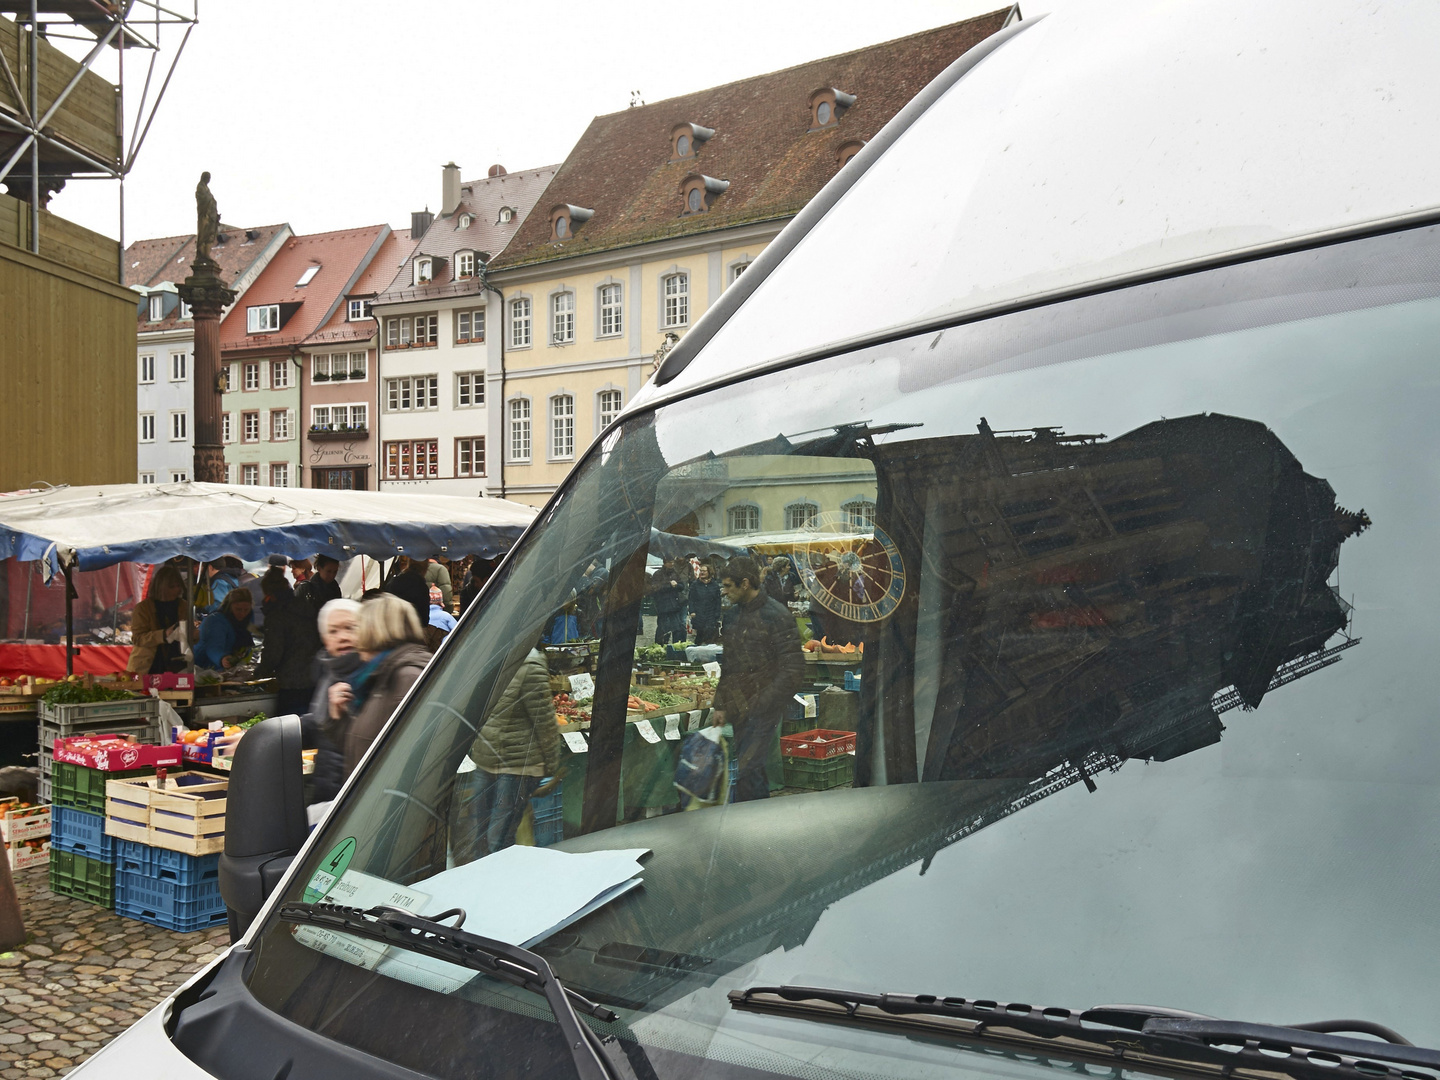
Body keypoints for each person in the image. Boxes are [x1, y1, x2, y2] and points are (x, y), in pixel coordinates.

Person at [711, 556, 805, 802]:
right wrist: (720, 704)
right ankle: (755, 821)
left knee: (748, 768)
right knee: (749, 769)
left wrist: (764, 701)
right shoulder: (732, 616)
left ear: (745, 584)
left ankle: (751, 823)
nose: (724, 591)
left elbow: (793, 668)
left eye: (728, 586)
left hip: (764, 706)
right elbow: (729, 664)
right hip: (739, 705)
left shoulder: (777, 615)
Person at [466, 641, 562, 859]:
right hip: (500, 761)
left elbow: (543, 720)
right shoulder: (519, 662)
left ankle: (492, 884)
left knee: (490, 838)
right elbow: (544, 720)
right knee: (489, 837)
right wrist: (551, 763)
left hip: (505, 762)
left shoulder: (513, 660)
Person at [329, 593, 431, 777]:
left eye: (358, 627)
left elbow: (407, 764)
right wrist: (340, 717)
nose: (354, 637)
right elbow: (362, 745)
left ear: (375, 629)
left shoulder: (406, 678)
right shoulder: (381, 674)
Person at [302, 598, 362, 805]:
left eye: (350, 628)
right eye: (334, 631)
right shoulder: (328, 671)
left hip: (354, 797)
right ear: (325, 639)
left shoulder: (373, 674)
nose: (343, 637)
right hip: (326, 793)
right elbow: (317, 724)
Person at [256, 568, 321, 715]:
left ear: (269, 594)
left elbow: (273, 652)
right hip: (314, 677)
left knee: (290, 727)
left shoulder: (277, 615)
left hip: (291, 683)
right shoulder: (306, 607)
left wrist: (260, 672)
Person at [126, 564, 192, 674]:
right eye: (172, 587)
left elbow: (187, 636)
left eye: (178, 586)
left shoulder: (183, 606)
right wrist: (163, 635)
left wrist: (193, 635)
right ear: (161, 586)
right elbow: (138, 638)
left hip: (178, 665)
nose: (176, 590)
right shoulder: (143, 608)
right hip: (149, 666)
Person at [193, 589, 254, 671]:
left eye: (246, 610)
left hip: (226, 663)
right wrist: (222, 658)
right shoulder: (216, 621)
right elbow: (213, 647)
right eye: (238, 609)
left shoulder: (248, 617)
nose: (243, 614)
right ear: (230, 606)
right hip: (203, 665)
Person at [381, 557, 431, 631]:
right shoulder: (421, 586)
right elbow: (424, 619)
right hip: (411, 631)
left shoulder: (394, 581)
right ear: (425, 568)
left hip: (391, 628)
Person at [649, 558, 688, 645]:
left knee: (677, 628)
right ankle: (660, 646)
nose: (672, 564)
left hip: (674, 604)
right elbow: (655, 588)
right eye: (670, 562)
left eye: (673, 562)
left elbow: (682, 586)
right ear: (665, 563)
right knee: (663, 628)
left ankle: (675, 646)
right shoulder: (658, 574)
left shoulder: (675, 573)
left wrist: (677, 585)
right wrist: (669, 585)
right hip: (662, 605)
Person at [688, 561, 722, 644]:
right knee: (699, 635)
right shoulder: (695, 585)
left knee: (710, 635)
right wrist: (692, 611)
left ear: (709, 572)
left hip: (711, 614)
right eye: (701, 570)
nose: (702, 572)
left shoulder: (714, 585)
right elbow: (691, 599)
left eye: (704, 571)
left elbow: (718, 601)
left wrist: (717, 614)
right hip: (699, 614)